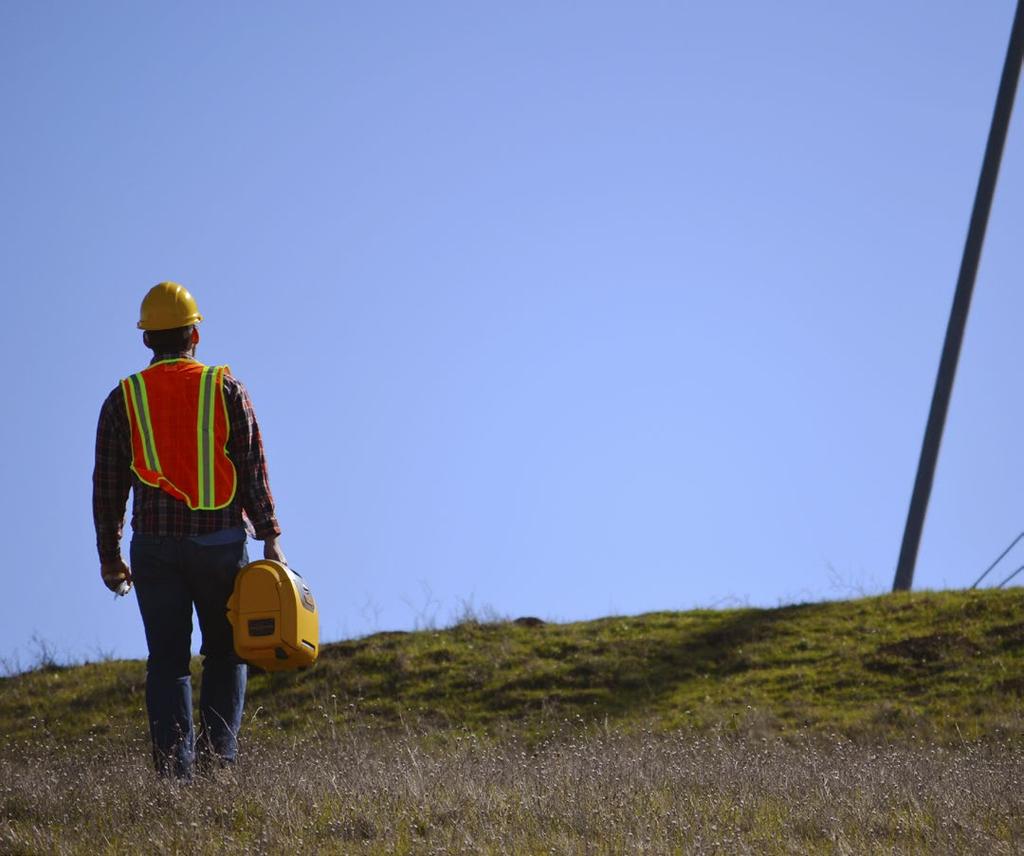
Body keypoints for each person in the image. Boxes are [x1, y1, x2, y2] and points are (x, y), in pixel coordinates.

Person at [92, 281, 285, 779]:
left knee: (168, 662)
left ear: (145, 341)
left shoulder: (123, 399)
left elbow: (108, 486)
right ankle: (219, 763)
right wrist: (270, 534)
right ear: (195, 334)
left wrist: (110, 556)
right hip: (221, 542)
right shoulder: (225, 387)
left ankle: (175, 777)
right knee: (225, 653)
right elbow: (251, 465)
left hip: (153, 548)